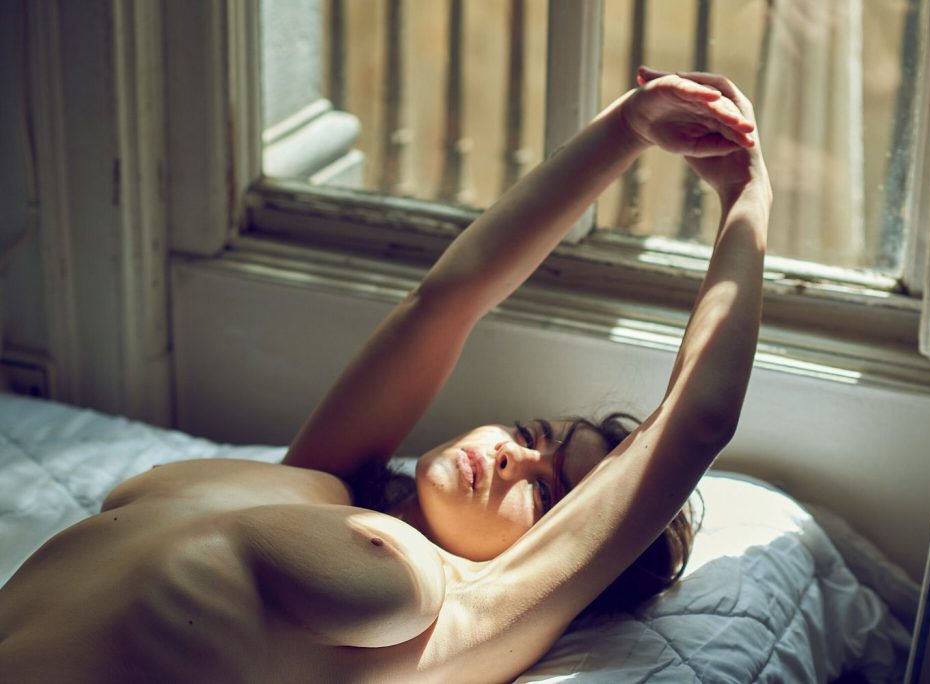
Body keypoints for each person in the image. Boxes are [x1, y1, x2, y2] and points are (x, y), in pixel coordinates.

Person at [0, 67, 770, 682]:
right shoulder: (322, 480)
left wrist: (744, 196)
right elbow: (448, 299)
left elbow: (692, 422)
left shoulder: (467, 612)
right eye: (533, 437)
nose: (511, 455)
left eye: (545, 489)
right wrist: (627, 127)